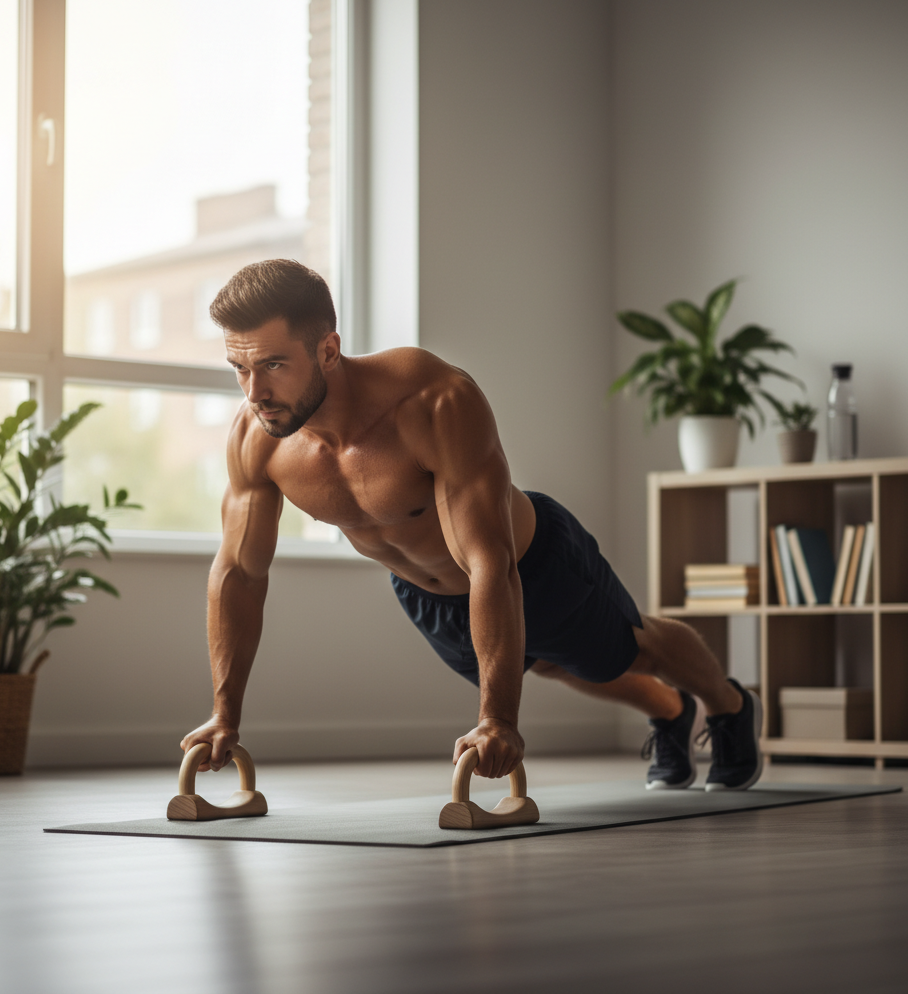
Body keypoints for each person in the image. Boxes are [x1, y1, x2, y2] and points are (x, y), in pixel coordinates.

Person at [181, 259, 763, 791]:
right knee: (553, 664)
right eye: (240, 368)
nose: (255, 392)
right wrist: (223, 714)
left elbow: (490, 560)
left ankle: (728, 705)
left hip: (529, 562)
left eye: (274, 365)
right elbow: (238, 571)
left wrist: (497, 721)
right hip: (427, 596)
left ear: (328, 350)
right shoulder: (256, 439)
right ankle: (669, 712)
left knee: (632, 651)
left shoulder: (433, 401)